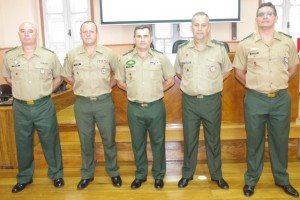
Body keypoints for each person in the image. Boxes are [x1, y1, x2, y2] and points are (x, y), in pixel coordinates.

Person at [233, 2, 299, 198]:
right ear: (256, 19)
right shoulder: (246, 44)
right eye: (261, 14)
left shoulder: (287, 42)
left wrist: (278, 82)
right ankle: (251, 180)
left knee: (280, 141)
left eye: (269, 13)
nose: (265, 17)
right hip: (255, 99)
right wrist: (254, 85)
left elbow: (293, 67)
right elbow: (238, 72)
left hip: (280, 100)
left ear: (276, 18)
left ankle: (282, 180)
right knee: (255, 142)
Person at [1, 22, 64, 193]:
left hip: (43, 105)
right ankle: (24, 177)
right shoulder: (9, 56)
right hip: (20, 107)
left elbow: (58, 77)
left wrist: (46, 90)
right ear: (19, 34)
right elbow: (7, 77)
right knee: (23, 143)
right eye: (23, 31)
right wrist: (21, 89)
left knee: (50, 141)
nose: (27, 34)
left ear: (36, 34)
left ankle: (56, 174)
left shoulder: (48, 56)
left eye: (30, 31)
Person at [174, 12, 232, 190]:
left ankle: (217, 175)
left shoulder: (219, 49)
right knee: (189, 139)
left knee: (213, 140)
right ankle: (187, 174)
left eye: (203, 25)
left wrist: (211, 84)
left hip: (211, 101)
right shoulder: (183, 49)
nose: (200, 28)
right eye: (196, 25)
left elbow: (227, 71)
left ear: (209, 28)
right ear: (191, 27)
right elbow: (179, 72)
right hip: (190, 102)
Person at [62, 21, 122, 190]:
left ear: (97, 34)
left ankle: (113, 172)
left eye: (91, 31)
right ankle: (87, 174)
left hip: (104, 103)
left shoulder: (108, 53)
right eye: (85, 32)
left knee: (109, 139)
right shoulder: (72, 55)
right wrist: (80, 85)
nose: (88, 34)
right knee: (85, 141)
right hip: (82, 105)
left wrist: (106, 86)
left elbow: (118, 74)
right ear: (80, 34)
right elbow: (66, 75)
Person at [116, 25, 175, 190]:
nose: (142, 39)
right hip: (134, 108)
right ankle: (140, 174)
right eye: (139, 36)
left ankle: (158, 175)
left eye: (146, 36)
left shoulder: (161, 58)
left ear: (151, 38)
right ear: (133, 39)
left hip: (156, 106)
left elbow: (170, 79)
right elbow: (120, 82)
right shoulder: (124, 59)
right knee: (138, 143)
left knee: (158, 142)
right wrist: (134, 90)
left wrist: (156, 91)